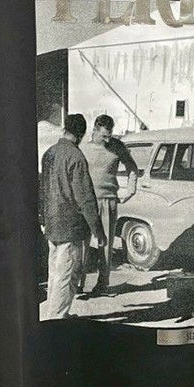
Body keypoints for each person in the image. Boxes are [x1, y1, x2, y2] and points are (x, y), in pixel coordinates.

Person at [39, 114, 104, 319]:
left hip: (51, 222)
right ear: (81, 134)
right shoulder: (76, 157)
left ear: (65, 129)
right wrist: (98, 230)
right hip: (71, 226)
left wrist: (42, 218)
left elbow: (42, 189)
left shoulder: (49, 153)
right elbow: (85, 198)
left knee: (54, 273)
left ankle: (56, 314)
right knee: (67, 276)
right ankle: (57, 319)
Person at [79, 113, 140, 294]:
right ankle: (78, 284)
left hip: (108, 201)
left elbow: (132, 168)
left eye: (110, 135)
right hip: (87, 202)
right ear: (95, 130)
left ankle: (102, 284)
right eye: (104, 136)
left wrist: (130, 191)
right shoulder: (83, 148)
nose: (107, 140)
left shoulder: (117, 146)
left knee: (105, 245)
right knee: (82, 244)